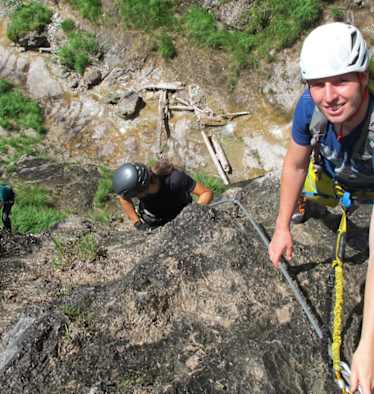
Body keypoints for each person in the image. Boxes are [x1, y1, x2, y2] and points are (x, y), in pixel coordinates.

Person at [268, 22, 374, 393]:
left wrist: (366, 350)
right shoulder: (308, 108)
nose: (328, 96)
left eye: (341, 81)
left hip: (369, 188)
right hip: (328, 177)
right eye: (317, 84)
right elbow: (295, 164)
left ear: (363, 78)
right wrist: (282, 227)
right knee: (297, 193)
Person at [112, 160, 214, 230]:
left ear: (143, 190)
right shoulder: (139, 187)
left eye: (135, 195)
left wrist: (191, 215)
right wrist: (137, 223)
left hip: (181, 213)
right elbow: (123, 198)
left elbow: (206, 193)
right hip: (155, 219)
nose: (135, 197)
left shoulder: (175, 179)